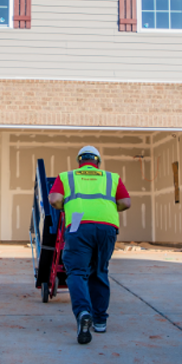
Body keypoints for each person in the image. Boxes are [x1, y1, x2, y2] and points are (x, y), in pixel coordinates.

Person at [48, 146, 131, 344]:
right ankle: (100, 321)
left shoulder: (67, 176)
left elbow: (54, 199)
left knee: (77, 272)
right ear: (97, 163)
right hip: (107, 228)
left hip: (78, 225)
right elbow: (126, 203)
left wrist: (65, 206)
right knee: (100, 271)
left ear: (79, 162)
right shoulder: (111, 177)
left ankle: (84, 312)